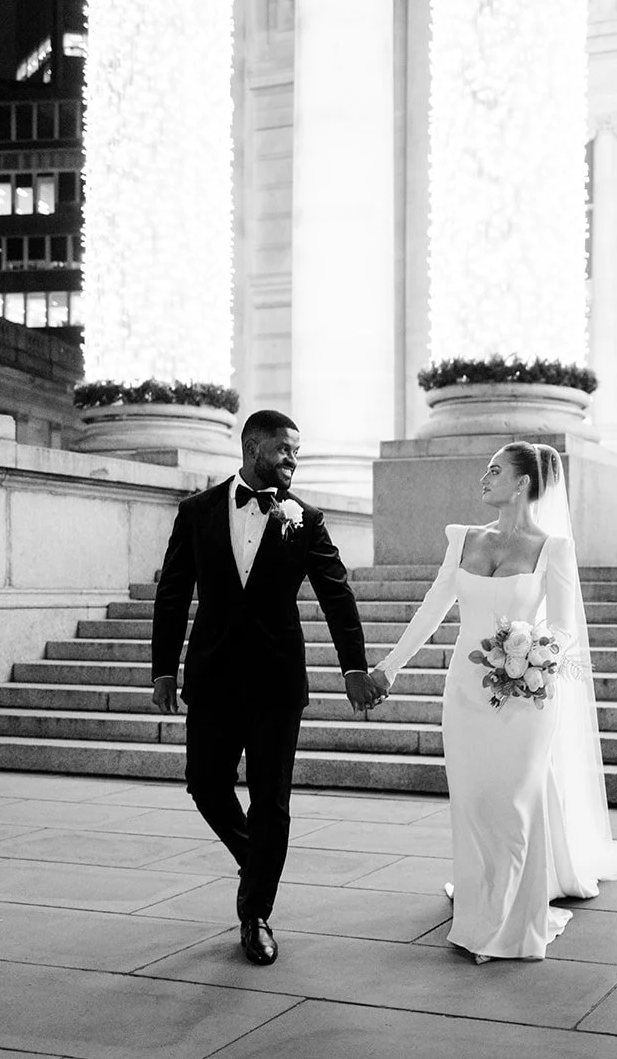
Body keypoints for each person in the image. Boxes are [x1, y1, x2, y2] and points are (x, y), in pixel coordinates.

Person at [368, 441, 617, 962]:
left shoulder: (553, 549)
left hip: (526, 698)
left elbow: (566, 632)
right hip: (466, 694)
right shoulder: (462, 539)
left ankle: (503, 927)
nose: (484, 478)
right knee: (474, 803)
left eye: (495, 470)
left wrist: (536, 661)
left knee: (513, 806)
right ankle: (479, 899)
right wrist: (388, 668)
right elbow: (432, 610)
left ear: (523, 483)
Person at [150, 409, 385, 966]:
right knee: (205, 784)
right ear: (254, 447)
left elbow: (337, 594)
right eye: (285, 450)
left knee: (271, 801)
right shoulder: (197, 511)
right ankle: (257, 861)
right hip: (212, 677)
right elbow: (173, 593)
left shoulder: (306, 518)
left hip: (277, 681)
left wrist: (354, 668)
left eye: (296, 452)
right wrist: (163, 669)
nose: (292, 460)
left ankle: (255, 914)